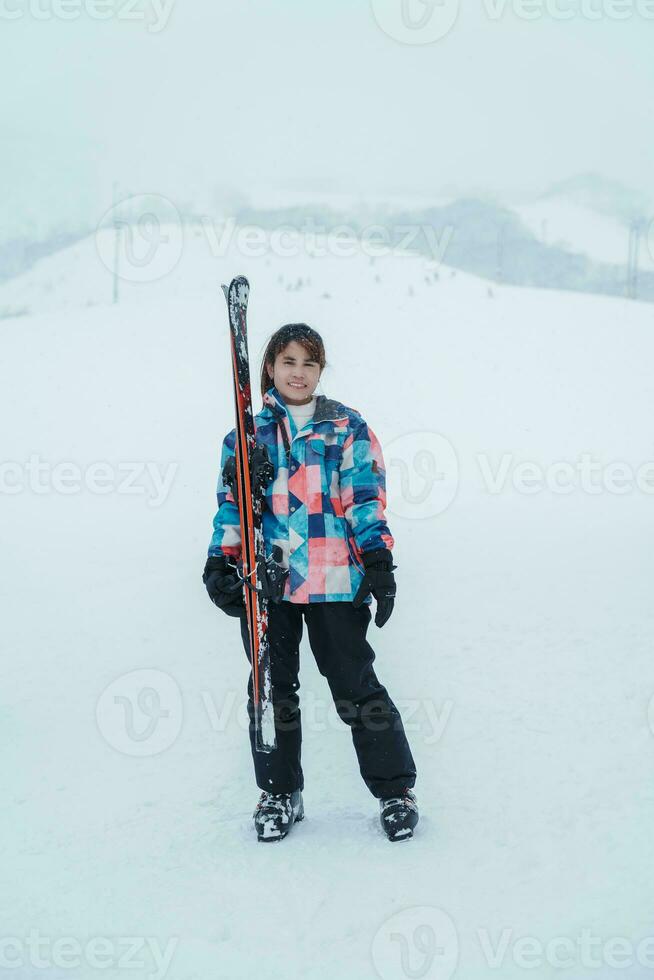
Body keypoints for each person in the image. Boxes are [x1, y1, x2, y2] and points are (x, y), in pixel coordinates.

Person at [203, 323, 418, 842]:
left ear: (321, 370)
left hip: (334, 579)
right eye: (288, 362)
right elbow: (232, 509)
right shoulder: (245, 436)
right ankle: (279, 792)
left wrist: (379, 562)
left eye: (309, 364)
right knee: (272, 691)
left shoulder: (347, 428)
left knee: (355, 688)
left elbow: (364, 499)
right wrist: (220, 560)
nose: (298, 373)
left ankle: (395, 792)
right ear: (270, 369)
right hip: (268, 583)